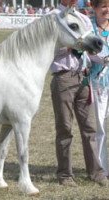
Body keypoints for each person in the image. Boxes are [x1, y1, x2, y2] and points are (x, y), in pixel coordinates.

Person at [50, 0, 108, 186]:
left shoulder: (82, 18)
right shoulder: (51, 18)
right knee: (65, 129)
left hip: (84, 77)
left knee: (90, 128)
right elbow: (46, 49)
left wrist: (103, 58)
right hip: (64, 77)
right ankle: (65, 175)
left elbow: (90, 50)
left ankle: (97, 173)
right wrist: (70, 46)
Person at [88, 0, 109, 178]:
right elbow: (87, 51)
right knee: (100, 126)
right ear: (94, 8)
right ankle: (102, 168)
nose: (107, 10)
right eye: (103, 6)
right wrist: (102, 59)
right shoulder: (89, 28)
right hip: (97, 83)